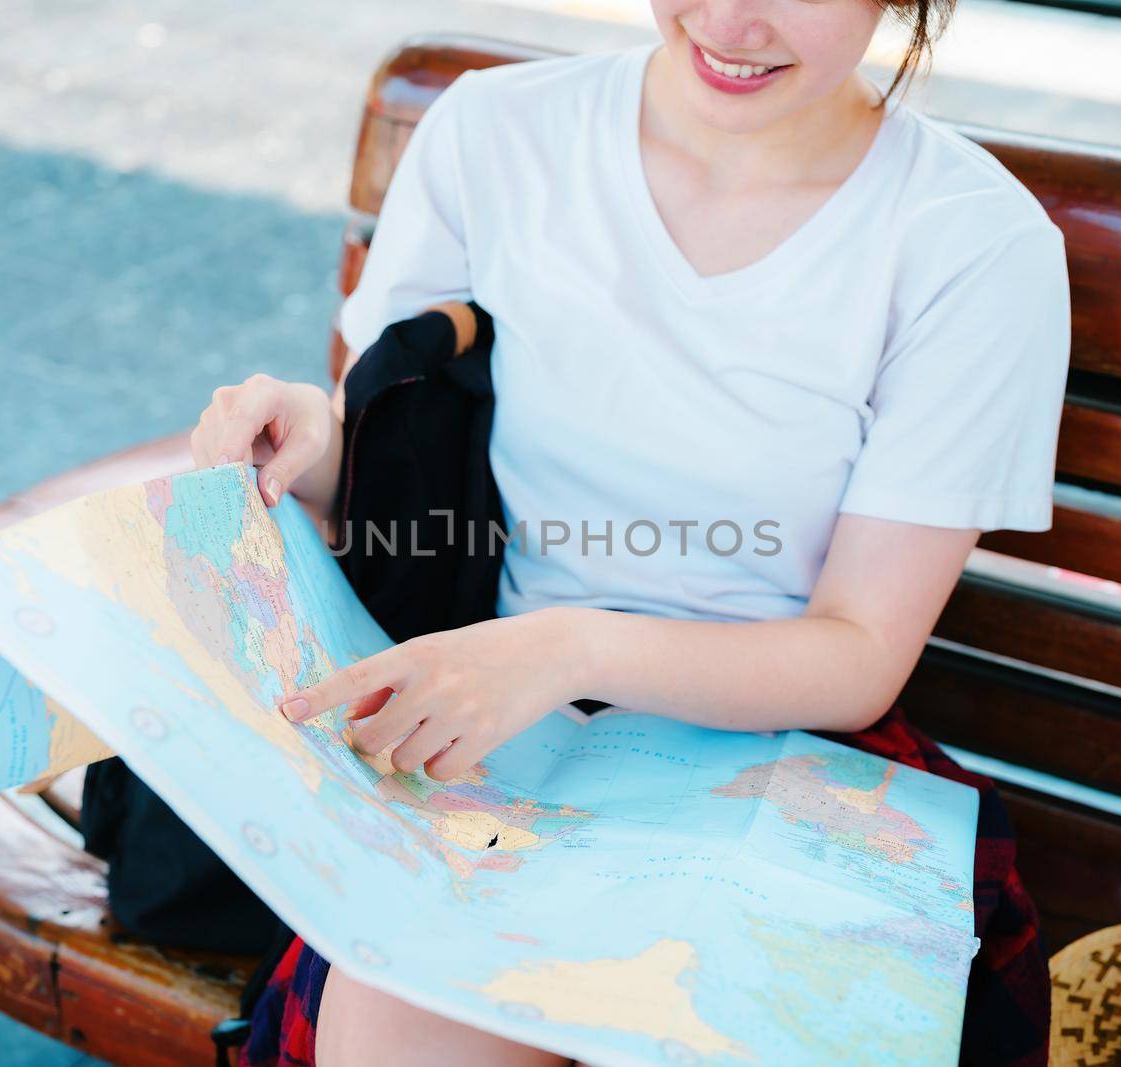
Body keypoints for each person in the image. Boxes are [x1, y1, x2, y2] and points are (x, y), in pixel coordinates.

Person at [191, 0, 1071, 1061]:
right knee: (401, 1030)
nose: (732, 19)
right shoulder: (497, 133)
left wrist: (567, 644)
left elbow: (857, 654)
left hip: (780, 750)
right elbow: (405, 468)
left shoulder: (969, 241)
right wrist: (306, 447)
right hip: (494, 725)